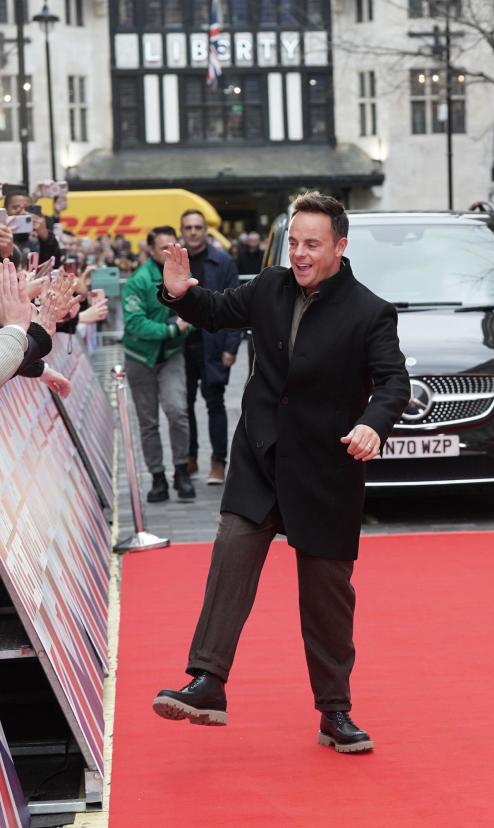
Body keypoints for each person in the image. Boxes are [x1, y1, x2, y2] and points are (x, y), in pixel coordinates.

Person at [150, 192, 410, 754]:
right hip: (261, 456)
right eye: (293, 242)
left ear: (341, 246)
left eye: (311, 244)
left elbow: (393, 384)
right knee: (232, 554)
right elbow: (216, 311)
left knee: (326, 596)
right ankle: (208, 683)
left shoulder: (370, 312)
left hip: (325, 469)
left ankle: (335, 711)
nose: (299, 253)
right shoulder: (269, 286)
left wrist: (373, 425)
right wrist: (177, 290)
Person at [122, 226, 195, 502]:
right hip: (140, 358)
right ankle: (157, 477)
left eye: (172, 245)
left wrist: (182, 328)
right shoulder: (138, 281)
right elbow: (134, 323)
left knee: (178, 411)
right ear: (151, 250)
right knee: (148, 421)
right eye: (163, 247)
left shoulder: (185, 276)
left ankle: (181, 471)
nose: (168, 252)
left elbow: (194, 316)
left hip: (172, 355)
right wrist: (171, 330)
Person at [179, 209, 242, 485]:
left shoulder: (223, 261)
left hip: (213, 345)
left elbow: (236, 305)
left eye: (198, 227)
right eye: (188, 227)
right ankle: (189, 457)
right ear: (182, 231)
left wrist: (231, 346)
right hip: (180, 346)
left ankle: (218, 461)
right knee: (184, 404)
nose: (193, 232)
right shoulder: (176, 261)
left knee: (214, 403)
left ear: (206, 230)